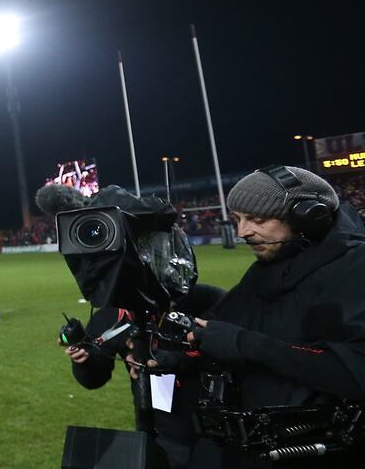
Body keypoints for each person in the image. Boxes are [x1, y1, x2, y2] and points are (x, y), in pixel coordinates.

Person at [142, 166, 365, 468]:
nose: (242, 232)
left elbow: (352, 370)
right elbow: (217, 333)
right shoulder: (265, 269)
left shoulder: (356, 268)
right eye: (238, 219)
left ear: (309, 217)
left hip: (311, 453)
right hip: (242, 445)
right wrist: (179, 359)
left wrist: (244, 343)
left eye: (257, 220)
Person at [65, 284, 226, 469]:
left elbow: (231, 350)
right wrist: (84, 362)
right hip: (158, 432)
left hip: (217, 428)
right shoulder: (113, 314)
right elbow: (94, 378)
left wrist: (172, 358)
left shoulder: (205, 298)